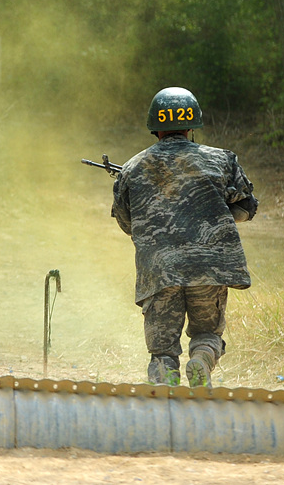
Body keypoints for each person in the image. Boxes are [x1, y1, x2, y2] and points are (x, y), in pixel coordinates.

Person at [110, 86, 258, 387]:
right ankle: (201, 359)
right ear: (192, 125)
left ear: (155, 127)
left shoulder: (132, 167)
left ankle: (166, 389)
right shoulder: (222, 160)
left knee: (162, 350)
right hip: (210, 267)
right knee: (207, 334)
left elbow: (127, 223)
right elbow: (247, 208)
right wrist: (211, 217)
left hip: (160, 270)